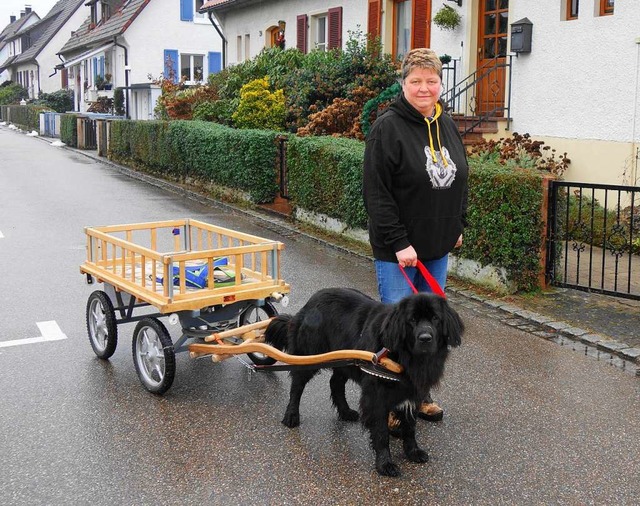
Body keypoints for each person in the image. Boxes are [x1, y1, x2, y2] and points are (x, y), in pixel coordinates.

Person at [362, 48, 468, 428]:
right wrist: (399, 241)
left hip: (436, 248)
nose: (424, 88)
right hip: (398, 252)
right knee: (397, 329)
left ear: (440, 84)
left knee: (430, 331)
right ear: (403, 84)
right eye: (416, 81)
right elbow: (376, 194)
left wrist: (457, 226)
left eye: (431, 80)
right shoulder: (387, 128)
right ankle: (390, 403)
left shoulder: (446, 123)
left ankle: (420, 393)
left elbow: (460, 178)